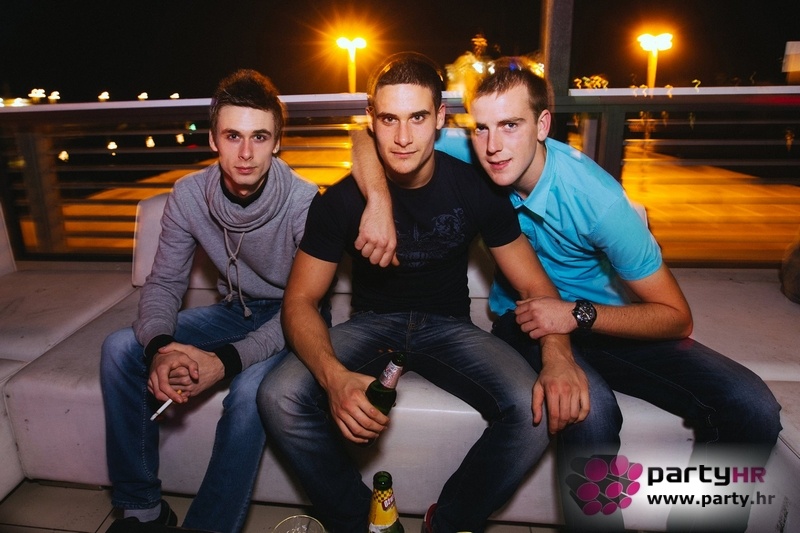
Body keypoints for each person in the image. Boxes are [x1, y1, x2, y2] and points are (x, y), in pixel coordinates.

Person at [355, 57, 783, 532]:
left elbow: (676, 316)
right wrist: (378, 201)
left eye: (511, 125)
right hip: (523, 320)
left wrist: (576, 314)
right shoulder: (472, 150)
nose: (493, 146)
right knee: (589, 412)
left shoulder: (598, 201)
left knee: (752, 406)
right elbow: (365, 137)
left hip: (605, 321)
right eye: (482, 128)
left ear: (542, 125)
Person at [257, 52, 586, 533]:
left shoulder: (475, 188)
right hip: (372, 324)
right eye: (389, 119)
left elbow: (536, 285)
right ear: (371, 120)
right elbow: (299, 301)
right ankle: (364, 523)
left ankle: (446, 523)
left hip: (448, 326)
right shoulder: (341, 201)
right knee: (278, 395)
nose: (403, 137)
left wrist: (557, 357)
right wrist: (333, 378)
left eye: (417, 118)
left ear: (440, 118)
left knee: (529, 407)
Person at [101, 69, 323, 532]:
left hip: (292, 319)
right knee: (120, 348)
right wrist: (160, 349)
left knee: (250, 393)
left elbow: (305, 307)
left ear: (277, 143)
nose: (245, 153)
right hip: (233, 311)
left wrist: (224, 362)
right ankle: (143, 511)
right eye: (233, 136)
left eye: (259, 137)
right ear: (212, 139)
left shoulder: (304, 203)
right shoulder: (188, 195)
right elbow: (164, 283)